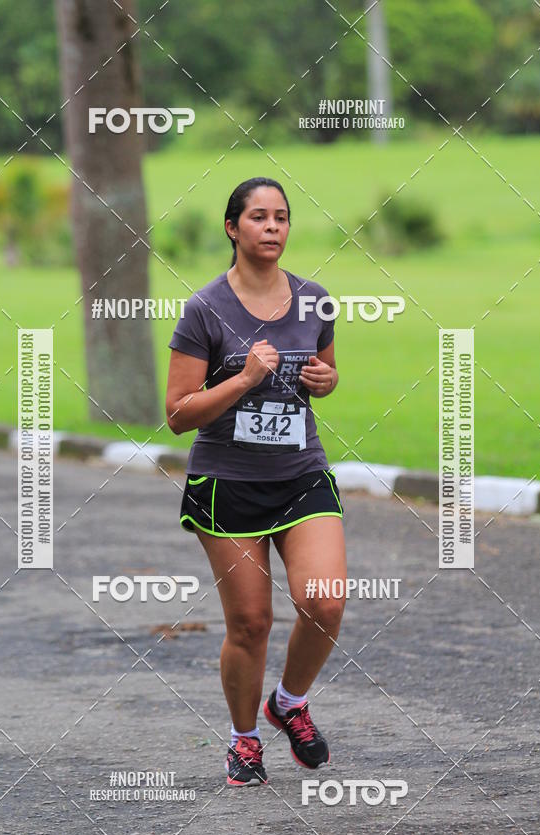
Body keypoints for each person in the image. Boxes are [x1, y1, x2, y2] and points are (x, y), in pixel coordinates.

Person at [165, 176, 348, 786]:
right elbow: (177, 413)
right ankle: (245, 740)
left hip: (301, 474)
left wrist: (326, 380)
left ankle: (289, 703)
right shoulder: (204, 310)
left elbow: (324, 370)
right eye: (259, 217)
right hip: (227, 483)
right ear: (232, 228)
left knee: (325, 599)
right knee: (250, 624)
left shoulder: (316, 299)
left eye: (282, 218)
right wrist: (242, 381)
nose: (272, 227)